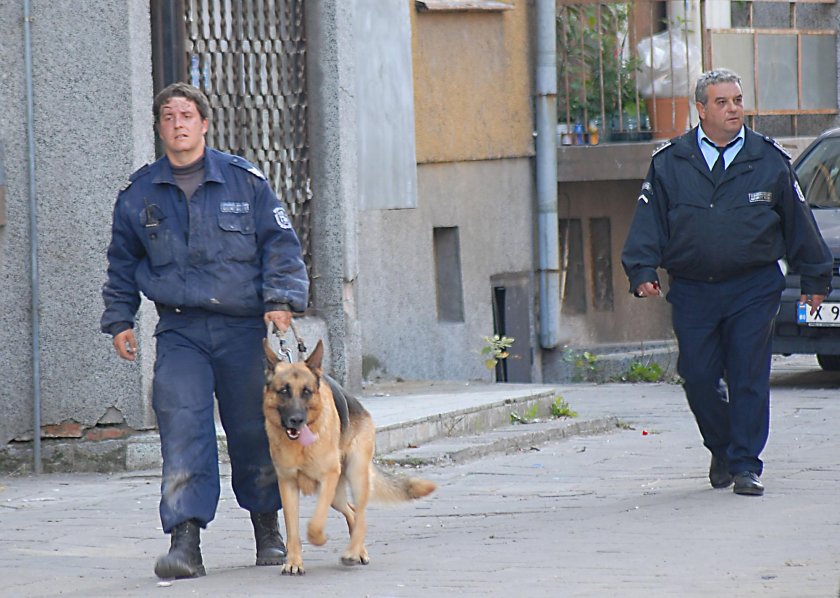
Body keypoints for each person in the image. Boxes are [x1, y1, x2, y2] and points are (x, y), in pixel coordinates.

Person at [101, 82, 309, 577]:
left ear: (204, 124)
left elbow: (281, 244)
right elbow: (121, 263)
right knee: (182, 427)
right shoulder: (139, 194)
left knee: (253, 430)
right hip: (181, 331)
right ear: (159, 128)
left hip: (242, 332)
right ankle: (185, 542)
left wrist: (280, 300)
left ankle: (268, 530)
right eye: (169, 117)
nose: (178, 124)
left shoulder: (245, 182)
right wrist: (119, 319)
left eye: (187, 115)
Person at [621, 69, 832, 497]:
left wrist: (814, 273)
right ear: (701, 109)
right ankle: (722, 445)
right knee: (697, 375)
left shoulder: (768, 159)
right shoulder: (671, 162)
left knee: (748, 373)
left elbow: (798, 222)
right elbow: (649, 221)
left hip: (752, 286)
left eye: (737, 100)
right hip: (694, 287)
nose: (734, 108)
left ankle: (746, 464)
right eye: (722, 102)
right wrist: (642, 269)